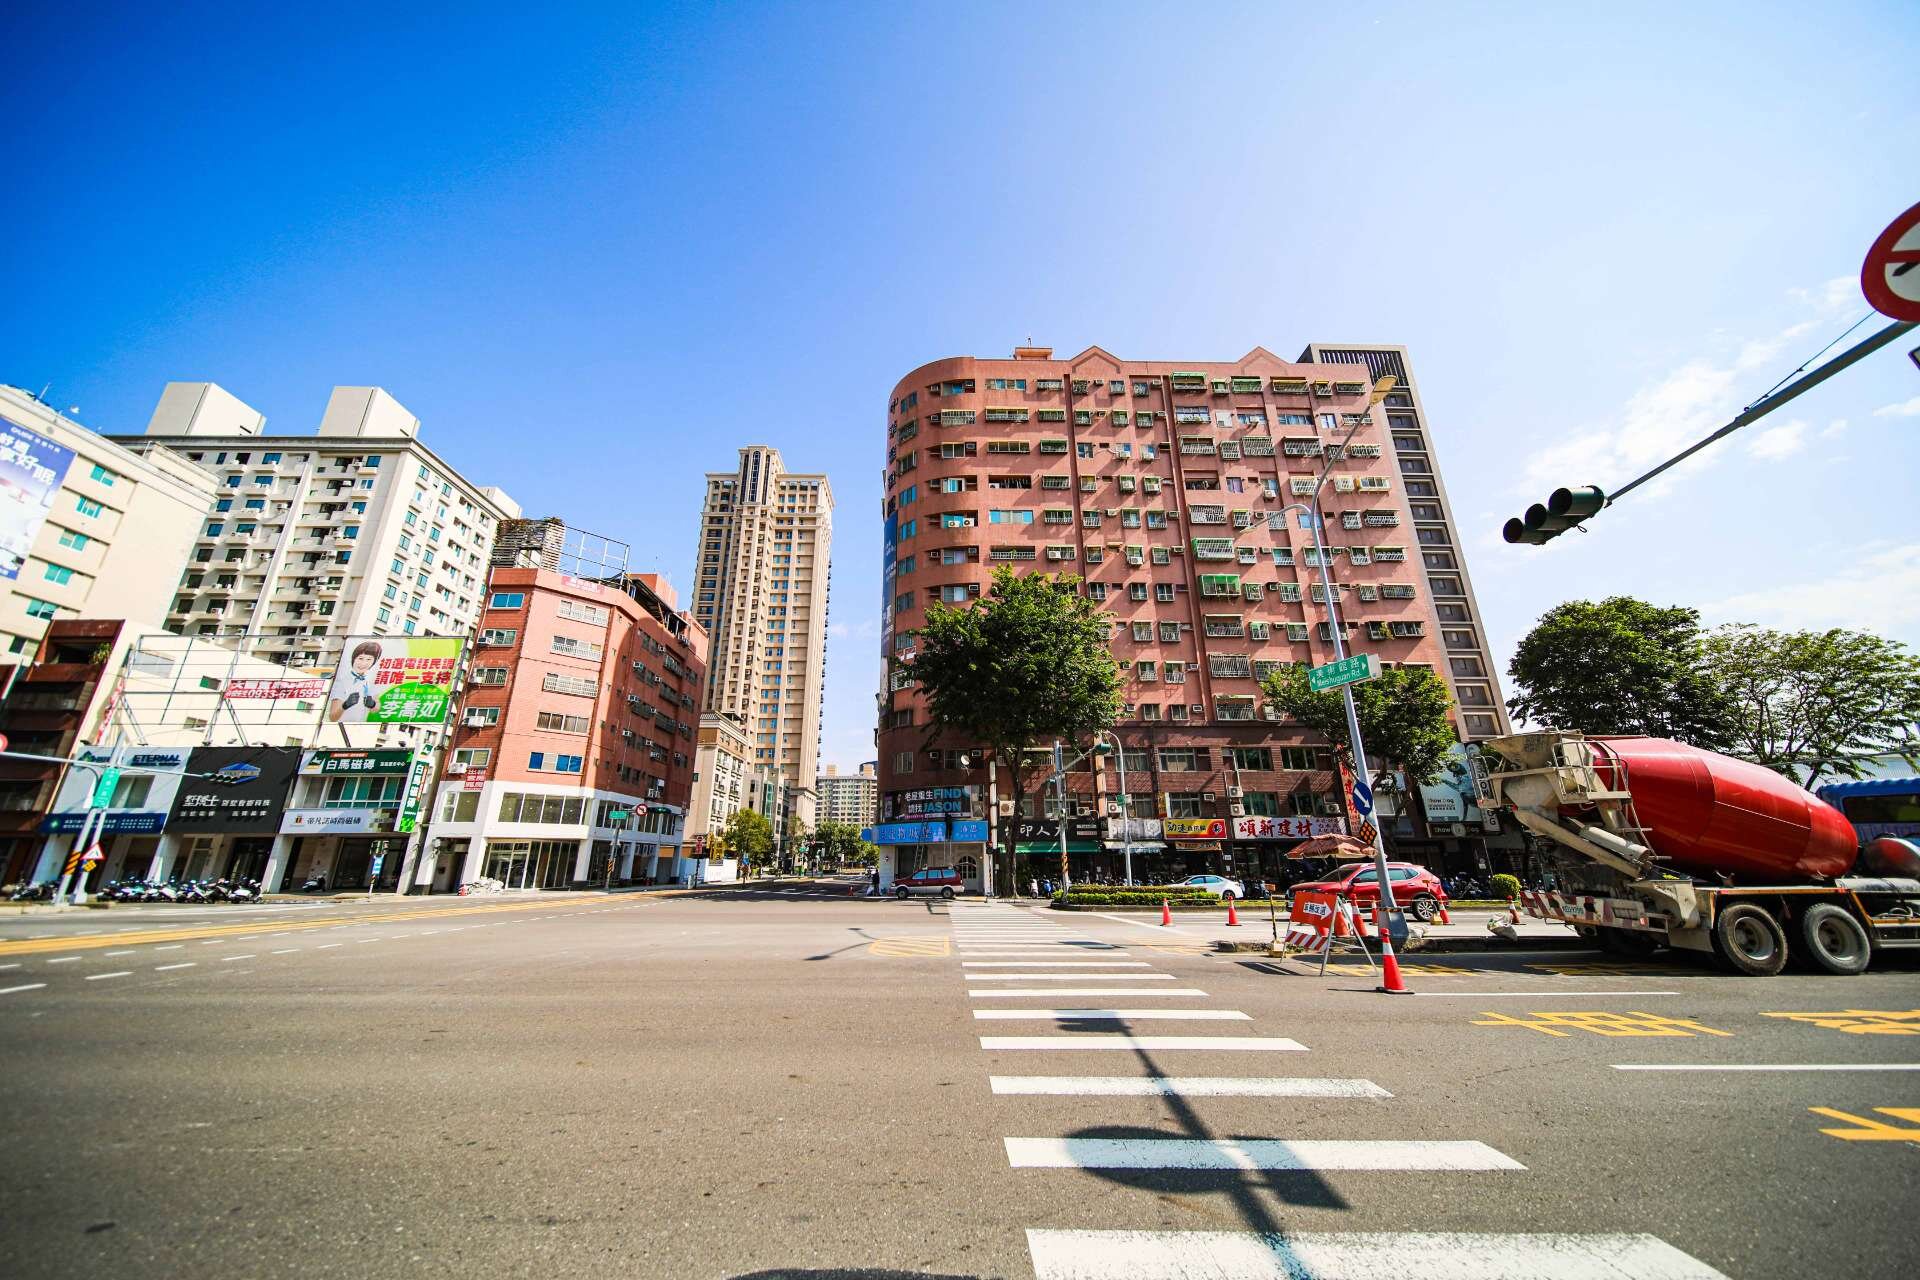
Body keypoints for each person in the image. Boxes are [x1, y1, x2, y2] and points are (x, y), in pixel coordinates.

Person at [328, 640, 384, 723]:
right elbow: (332, 717)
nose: (363, 663)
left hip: (360, 727)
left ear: (374, 662)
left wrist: (372, 704)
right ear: (354, 658)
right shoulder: (342, 682)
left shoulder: (370, 682)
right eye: (360, 658)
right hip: (339, 727)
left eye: (369, 659)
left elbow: (375, 709)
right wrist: (345, 705)